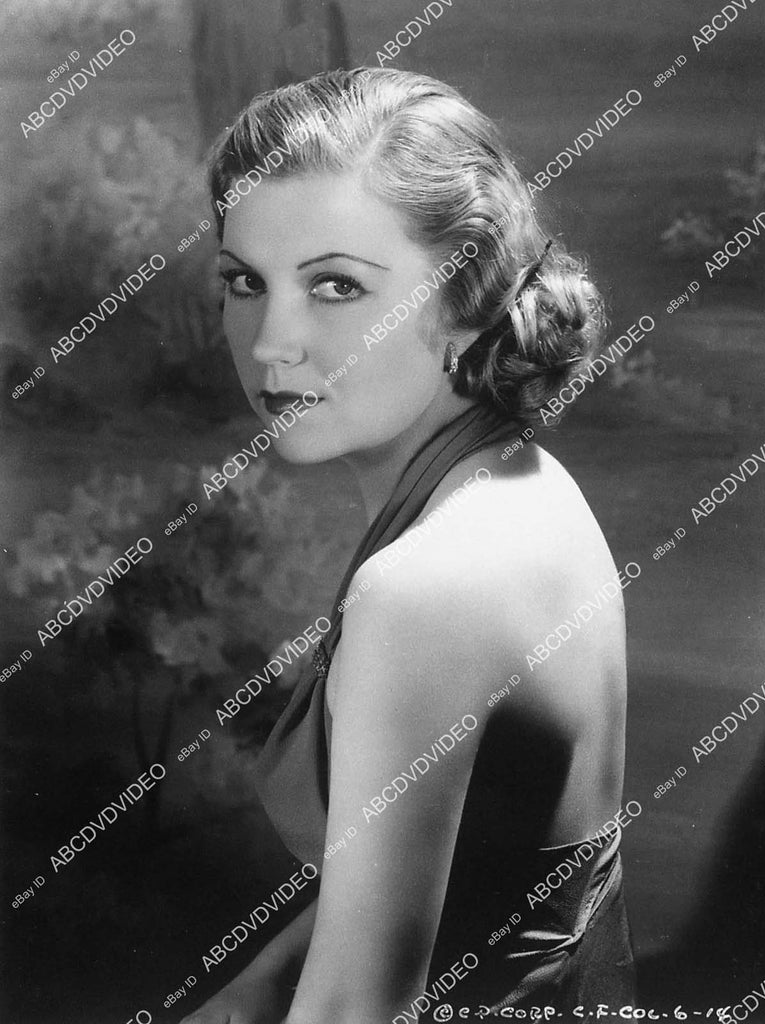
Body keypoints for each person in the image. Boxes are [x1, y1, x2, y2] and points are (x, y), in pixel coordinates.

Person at [182, 67, 634, 1024]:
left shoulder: (425, 589)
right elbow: (458, 863)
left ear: (467, 300)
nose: (270, 344)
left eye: (336, 286)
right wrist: (246, 994)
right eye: (244, 282)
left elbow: (356, 1008)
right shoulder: (519, 484)